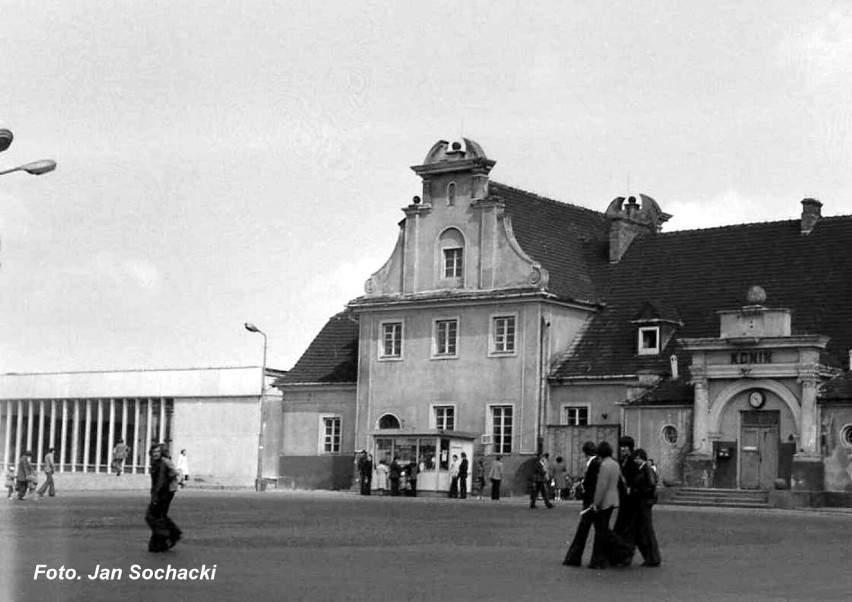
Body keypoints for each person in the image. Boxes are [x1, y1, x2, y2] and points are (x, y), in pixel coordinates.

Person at [563, 441, 601, 566]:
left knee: (584, 530)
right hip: (592, 501)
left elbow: (593, 484)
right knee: (594, 530)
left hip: (591, 503)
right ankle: (575, 557)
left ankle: (573, 558)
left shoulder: (594, 463)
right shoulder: (596, 462)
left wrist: (591, 501)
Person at [588, 441, 620, 569]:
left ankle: (598, 560)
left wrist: (595, 503)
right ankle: (605, 558)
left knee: (600, 532)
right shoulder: (615, 464)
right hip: (613, 499)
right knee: (604, 529)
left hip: (605, 501)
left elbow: (601, 486)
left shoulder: (604, 465)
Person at [146, 443, 182, 553]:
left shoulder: (162, 463)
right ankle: (165, 538)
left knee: (152, 516)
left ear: (162, 452)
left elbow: (161, 481)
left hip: (164, 492)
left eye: (157, 452)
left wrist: (155, 496)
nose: (155, 454)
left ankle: (167, 536)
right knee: (159, 516)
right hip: (165, 491)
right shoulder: (157, 463)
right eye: (153, 452)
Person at [611, 436, 639, 566]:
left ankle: (625, 555)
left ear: (630, 448)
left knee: (626, 529)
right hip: (623, 500)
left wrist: (630, 488)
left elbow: (635, 481)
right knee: (621, 528)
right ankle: (620, 555)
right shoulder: (623, 461)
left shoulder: (633, 463)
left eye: (625, 447)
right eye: (621, 447)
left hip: (631, 501)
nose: (622, 449)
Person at [632, 449, 661, 567]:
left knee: (647, 529)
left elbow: (651, 484)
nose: (635, 460)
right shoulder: (643, 469)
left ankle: (653, 557)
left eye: (636, 458)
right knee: (644, 529)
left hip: (644, 501)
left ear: (640, 458)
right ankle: (651, 557)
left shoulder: (646, 468)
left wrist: (638, 491)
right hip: (643, 501)